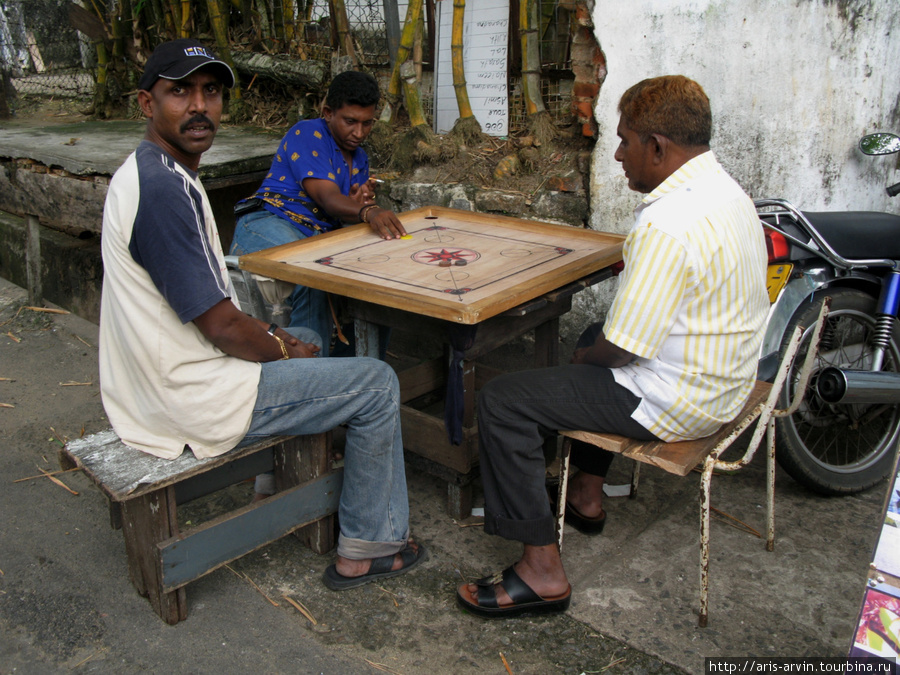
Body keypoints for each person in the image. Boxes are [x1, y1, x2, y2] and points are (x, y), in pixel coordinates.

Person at [98, 38, 425, 591]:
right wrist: (282, 346)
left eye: (211, 92)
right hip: (181, 399)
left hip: (157, 382)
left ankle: (275, 483)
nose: (199, 105)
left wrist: (285, 340)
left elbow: (221, 323)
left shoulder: (153, 170)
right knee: (376, 383)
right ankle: (370, 546)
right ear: (146, 104)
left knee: (302, 332)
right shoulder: (162, 191)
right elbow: (223, 326)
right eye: (180, 91)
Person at [457, 75, 769, 618]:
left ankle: (541, 570)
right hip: (730, 379)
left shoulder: (667, 222)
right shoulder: (726, 190)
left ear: (658, 147)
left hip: (681, 401)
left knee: (504, 400)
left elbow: (620, 349)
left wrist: (587, 362)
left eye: (624, 141)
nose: (619, 155)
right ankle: (585, 494)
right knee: (589, 334)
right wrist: (594, 351)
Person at [230, 70, 406, 356]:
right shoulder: (307, 132)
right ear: (328, 112)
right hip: (266, 221)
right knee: (311, 274)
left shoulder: (359, 157)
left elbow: (340, 205)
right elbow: (327, 198)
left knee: (374, 276)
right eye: (350, 121)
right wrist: (366, 210)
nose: (359, 132)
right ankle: (315, 374)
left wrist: (354, 203)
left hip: (314, 237)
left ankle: (360, 371)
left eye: (367, 123)